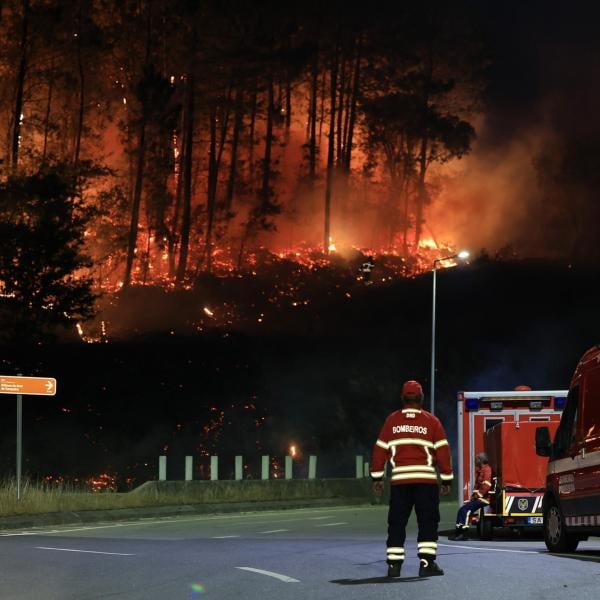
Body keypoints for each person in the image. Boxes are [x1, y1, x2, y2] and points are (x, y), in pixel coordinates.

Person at [371, 380, 453, 578]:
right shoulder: (432, 421)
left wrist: (377, 478)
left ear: (402, 398)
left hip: (400, 482)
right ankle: (426, 564)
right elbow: (443, 451)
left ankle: (394, 566)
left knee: (397, 523)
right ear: (421, 398)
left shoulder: (392, 421)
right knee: (427, 522)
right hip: (425, 481)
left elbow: (380, 450)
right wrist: (447, 479)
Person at [450, 452, 493, 541]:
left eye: (477, 459)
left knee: (466, 510)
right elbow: (477, 486)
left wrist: (477, 496)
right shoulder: (480, 470)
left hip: (484, 499)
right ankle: (458, 532)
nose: (475, 461)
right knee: (461, 510)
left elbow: (486, 485)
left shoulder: (487, 469)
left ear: (481, 460)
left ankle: (463, 533)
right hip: (478, 498)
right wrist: (473, 496)